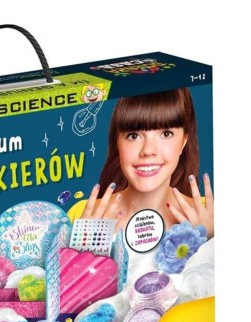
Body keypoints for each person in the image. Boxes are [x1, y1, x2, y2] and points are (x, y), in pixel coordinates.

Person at [69, 88, 214, 239]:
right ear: (117, 142)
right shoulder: (82, 215)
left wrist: (210, 238)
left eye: (166, 134)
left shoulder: (210, 214)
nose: (148, 150)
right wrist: (83, 248)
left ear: (183, 142)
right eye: (134, 135)